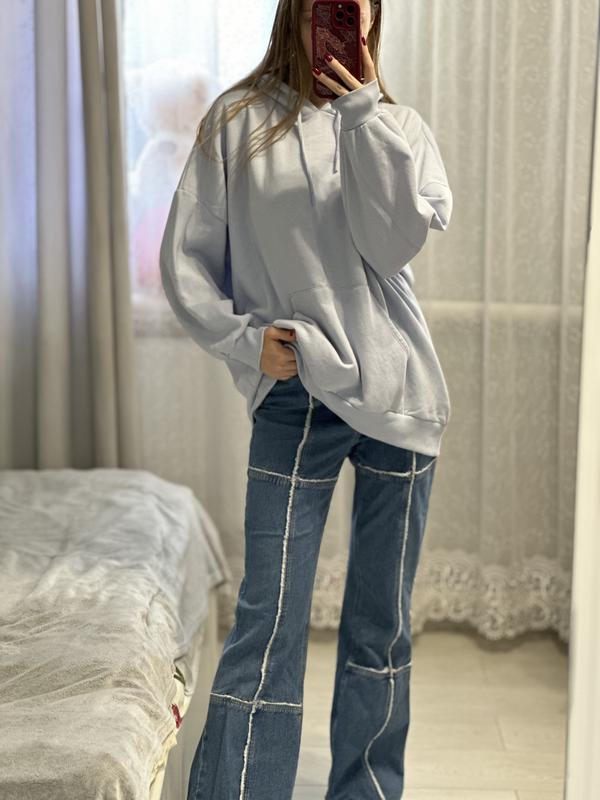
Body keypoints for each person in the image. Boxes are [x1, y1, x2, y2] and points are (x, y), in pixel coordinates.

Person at [159, 0, 453, 797]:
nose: (340, 17)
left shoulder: (399, 128)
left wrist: (362, 115)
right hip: (296, 394)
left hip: (400, 396)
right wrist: (244, 342)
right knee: (269, 620)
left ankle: (367, 791)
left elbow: (391, 243)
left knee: (380, 628)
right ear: (296, 11)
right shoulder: (239, 121)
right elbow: (187, 259)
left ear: (372, 19)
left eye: (355, 6)